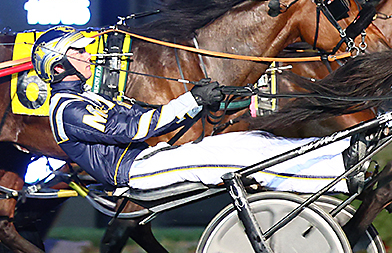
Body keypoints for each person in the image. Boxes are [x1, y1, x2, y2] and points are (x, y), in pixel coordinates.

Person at [31, 25, 351, 193]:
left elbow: (135, 116)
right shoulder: (68, 110)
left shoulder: (87, 96)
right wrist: (191, 100)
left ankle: (335, 153)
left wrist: (198, 103)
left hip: (147, 157)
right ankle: (332, 177)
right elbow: (134, 129)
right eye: (78, 53)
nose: (88, 55)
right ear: (58, 67)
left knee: (249, 142)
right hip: (136, 170)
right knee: (229, 159)